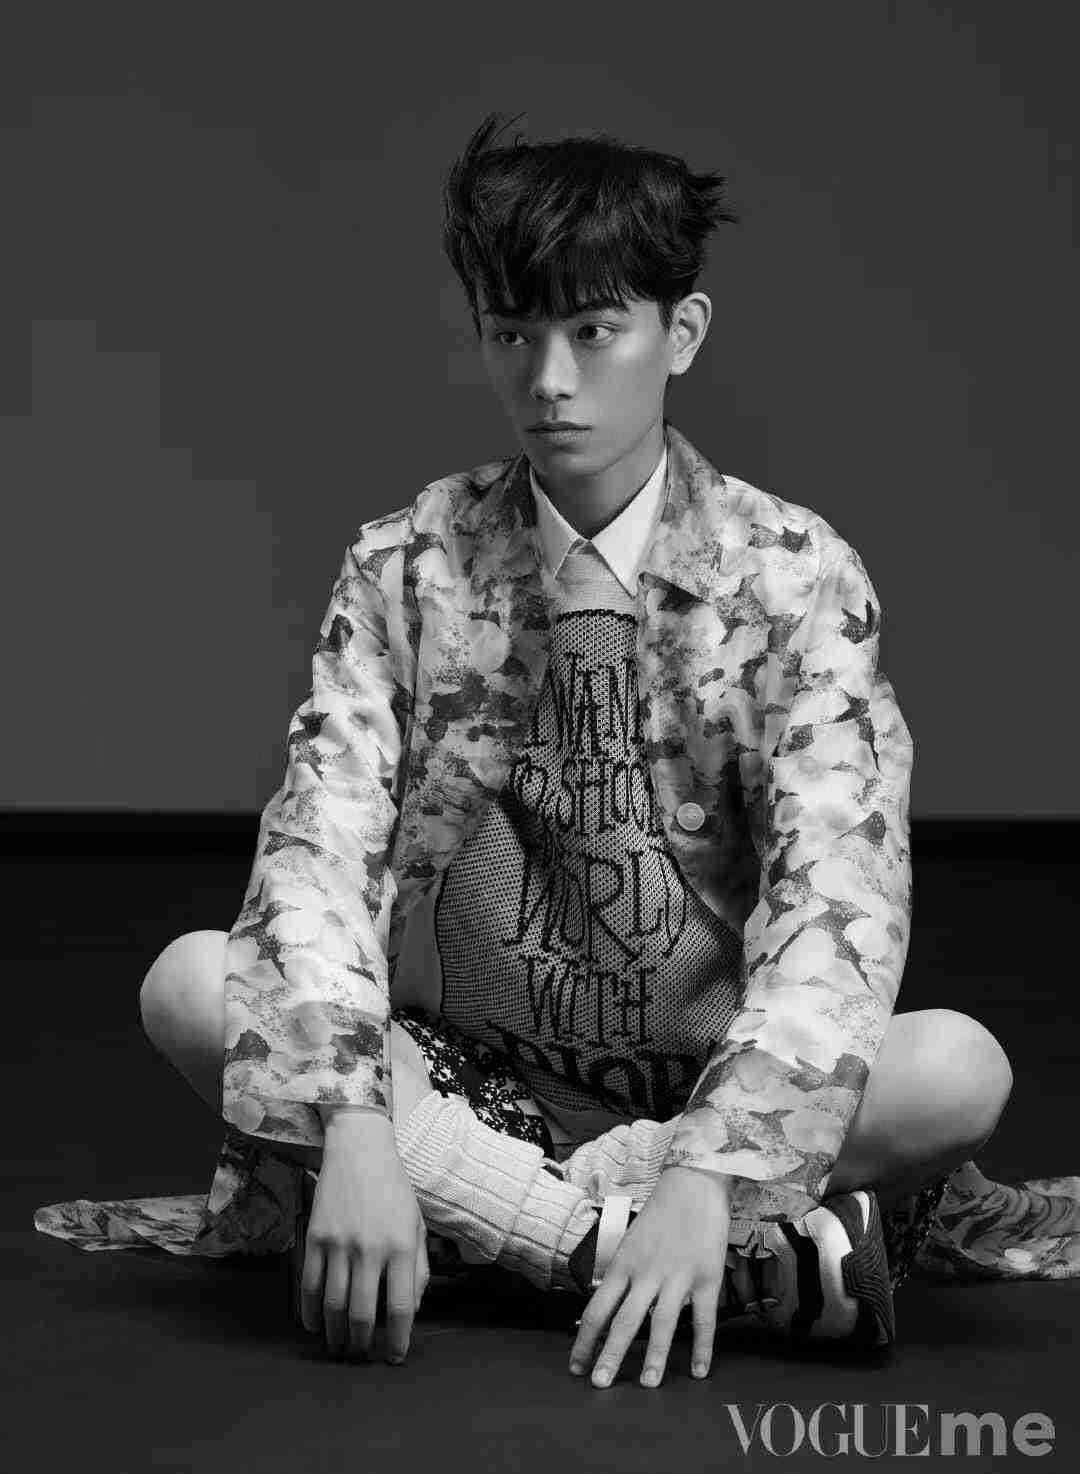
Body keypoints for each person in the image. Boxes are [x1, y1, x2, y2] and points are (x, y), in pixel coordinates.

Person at [35, 113, 1080, 1389]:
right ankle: (642, 1253)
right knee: (194, 981)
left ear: (680, 334)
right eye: (512, 333)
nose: (549, 380)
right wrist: (355, 1123)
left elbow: (837, 904)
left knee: (956, 1068)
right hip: (460, 1079)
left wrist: (706, 1169)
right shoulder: (407, 562)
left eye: (594, 332)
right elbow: (318, 848)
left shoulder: (795, 576)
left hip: (699, 1084)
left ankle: (504, 1225)